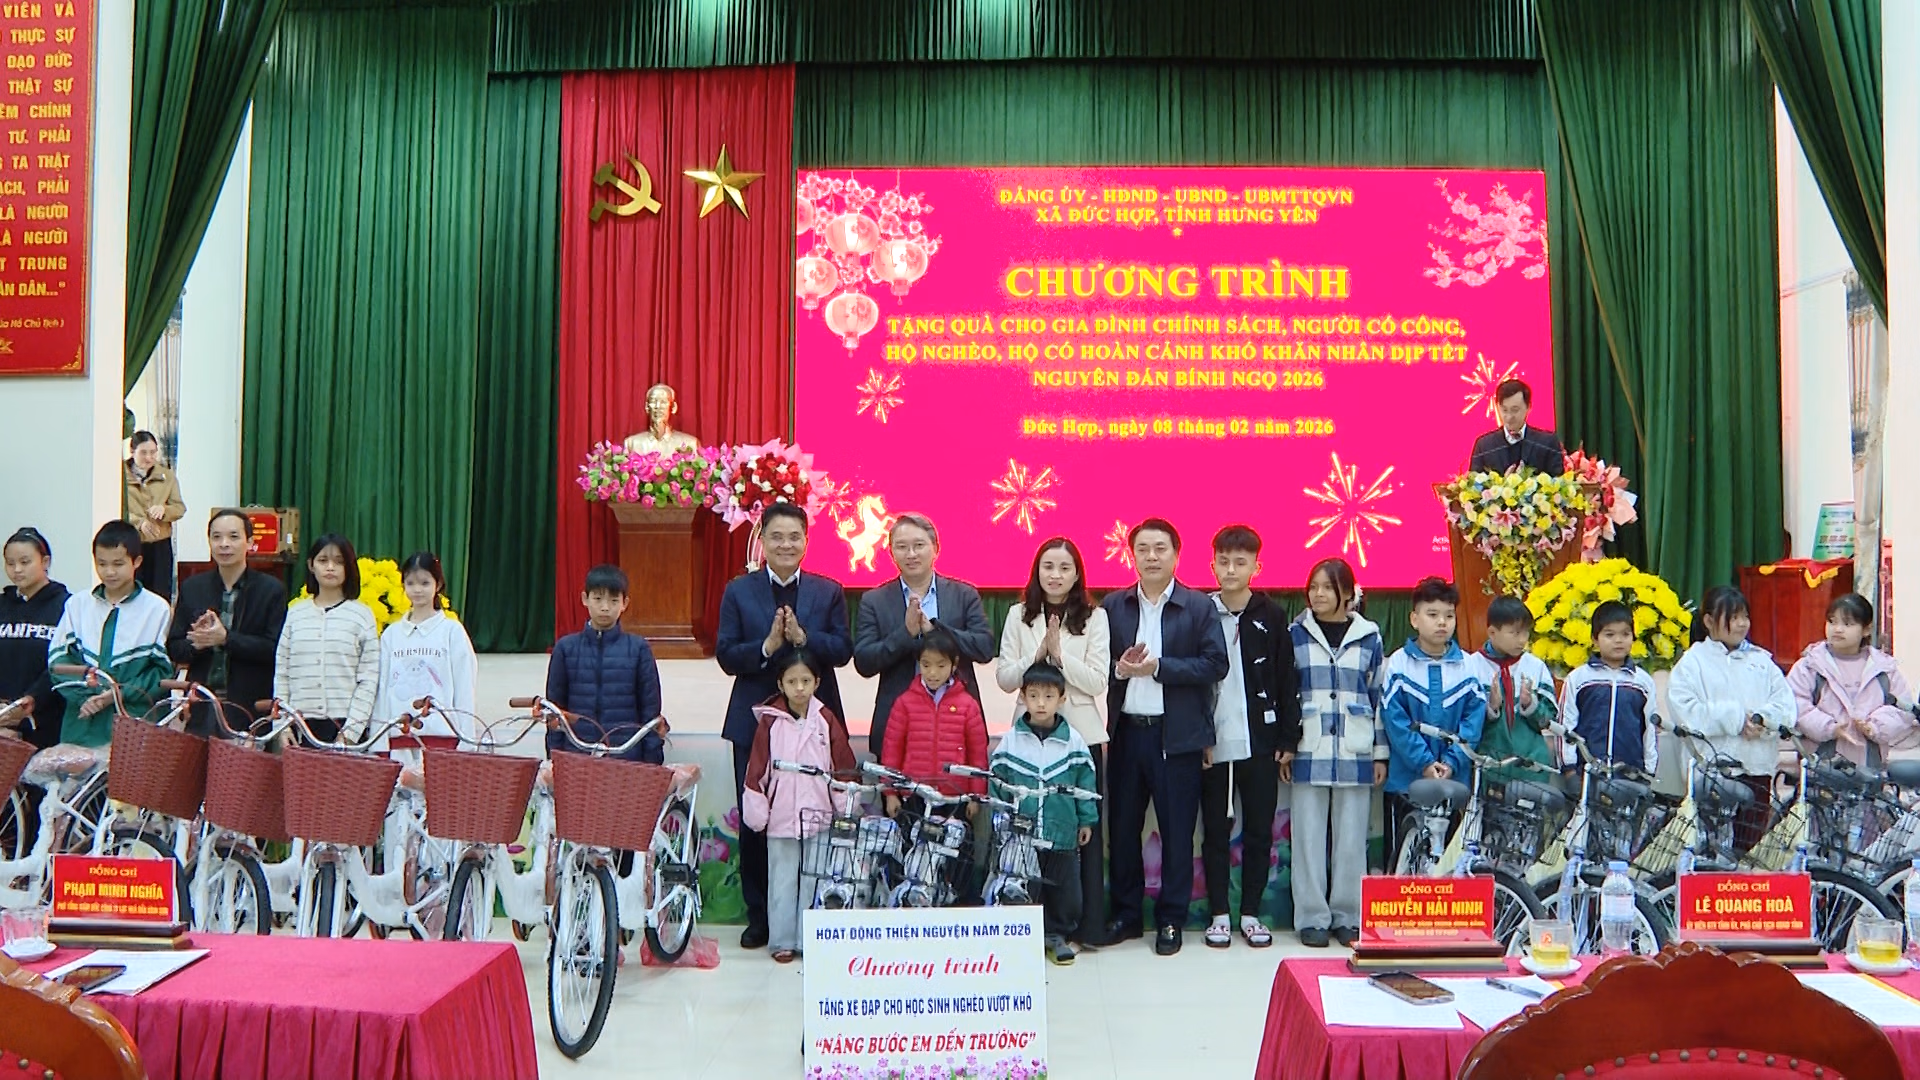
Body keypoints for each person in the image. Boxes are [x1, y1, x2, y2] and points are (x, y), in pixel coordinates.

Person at [716, 503, 854, 950]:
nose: (785, 545)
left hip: (815, 726)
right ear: (762, 541)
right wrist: (767, 646)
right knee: (757, 819)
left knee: (817, 821)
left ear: (806, 542)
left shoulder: (827, 591)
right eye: (776, 536)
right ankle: (760, 916)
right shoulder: (738, 591)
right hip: (754, 724)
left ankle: (812, 917)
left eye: (794, 536)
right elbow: (726, 655)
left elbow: (843, 650)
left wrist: (803, 640)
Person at [1099, 518, 1230, 957]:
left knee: (1177, 833)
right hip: (1127, 734)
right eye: (1143, 549)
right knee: (1123, 828)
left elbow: (1216, 664)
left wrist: (1159, 668)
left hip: (1177, 737)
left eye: (1160, 548)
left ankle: (1171, 919)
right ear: (1132, 555)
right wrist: (1120, 669)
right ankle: (1126, 914)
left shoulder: (1197, 606)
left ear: (1176, 555)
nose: (1151, 557)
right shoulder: (1114, 606)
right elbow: (1099, 667)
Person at [994, 536, 1109, 945]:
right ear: (1036, 572)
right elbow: (1005, 678)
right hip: (1028, 741)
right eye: (1048, 567)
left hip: (1079, 739)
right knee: (1025, 834)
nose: (1055, 575)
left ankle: (1085, 927)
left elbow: (1097, 680)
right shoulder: (1018, 615)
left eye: (1064, 568)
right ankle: (1026, 927)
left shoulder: (1095, 617)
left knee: (1081, 835)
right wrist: (1037, 654)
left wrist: (1060, 656)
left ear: (1077, 574)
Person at [1199, 525, 1298, 949]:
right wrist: (1199, 736)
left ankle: (1252, 914)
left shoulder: (1272, 615)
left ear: (1257, 566)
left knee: (1259, 829)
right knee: (1215, 831)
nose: (1231, 570)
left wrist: (1288, 740)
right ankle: (1220, 914)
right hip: (1213, 743)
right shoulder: (1200, 612)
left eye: (1240, 562)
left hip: (1261, 742)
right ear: (1212, 565)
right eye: (1223, 562)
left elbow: (1286, 678)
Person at [1286, 557, 1386, 948]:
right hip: (1307, 746)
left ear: (1347, 592)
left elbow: (1378, 696)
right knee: (1307, 837)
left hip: (1355, 748)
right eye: (1313, 587)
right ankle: (1311, 918)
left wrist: (1380, 753)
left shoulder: (1369, 636)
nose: (1318, 594)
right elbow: (1286, 693)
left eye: (1327, 587)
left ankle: (1347, 916)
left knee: (1351, 839)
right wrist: (1286, 746)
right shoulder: (1295, 633)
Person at [738, 650, 857, 964]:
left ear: (817, 682)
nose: (800, 688)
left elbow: (842, 767)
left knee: (813, 879)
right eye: (792, 681)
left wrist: (843, 806)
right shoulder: (769, 722)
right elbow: (756, 771)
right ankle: (782, 940)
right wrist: (758, 810)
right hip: (781, 817)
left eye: (806, 680)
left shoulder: (826, 720)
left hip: (818, 815)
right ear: (781, 684)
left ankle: (809, 939)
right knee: (782, 880)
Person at [854, 513, 993, 753]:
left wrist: (936, 630)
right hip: (898, 724)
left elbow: (984, 648)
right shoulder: (874, 601)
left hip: (957, 720)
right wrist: (906, 634)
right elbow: (864, 662)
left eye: (919, 545)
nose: (911, 554)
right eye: (902, 547)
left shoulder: (963, 595)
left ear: (935, 548)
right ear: (891, 553)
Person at [1669, 585, 1795, 850]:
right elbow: (1686, 712)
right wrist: (1736, 719)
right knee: (1707, 851)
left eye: (1745, 617)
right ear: (1708, 621)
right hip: (1712, 769)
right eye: (1733, 617)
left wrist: (1762, 721)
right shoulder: (1692, 663)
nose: (1741, 624)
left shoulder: (1762, 661)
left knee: (1748, 850)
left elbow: (1786, 706)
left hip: (1756, 768)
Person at [990, 662, 1098, 966]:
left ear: (1062, 699)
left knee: (1064, 889)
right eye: (1033, 695)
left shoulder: (1073, 742)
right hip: (1021, 836)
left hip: (1062, 832)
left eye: (1049, 696)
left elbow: (1085, 783)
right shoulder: (1011, 740)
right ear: (1022, 696)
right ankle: (1026, 937)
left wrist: (1086, 819)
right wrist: (1001, 820)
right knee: (1025, 885)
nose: (1041, 703)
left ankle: (1057, 935)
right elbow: (997, 780)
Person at [1381, 576, 1487, 867]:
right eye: (1432, 615)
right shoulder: (1398, 663)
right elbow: (1395, 721)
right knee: (1402, 860)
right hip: (1407, 782)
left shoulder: (1468, 665)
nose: (1442, 622)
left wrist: (1451, 762)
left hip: (1454, 782)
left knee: (1451, 864)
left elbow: (1473, 721)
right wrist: (1425, 763)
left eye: (1449, 616)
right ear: (1414, 619)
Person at [46, 520, 174, 750]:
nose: (109, 572)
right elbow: (58, 662)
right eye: (102, 563)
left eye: (118, 564)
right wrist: (86, 696)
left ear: (137, 562)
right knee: (76, 773)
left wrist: (116, 694)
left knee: (129, 773)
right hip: (82, 721)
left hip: (134, 723)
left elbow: (161, 672)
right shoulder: (77, 604)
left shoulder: (156, 609)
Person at [167, 509, 288, 737]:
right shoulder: (193, 587)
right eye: (216, 537)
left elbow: (274, 649)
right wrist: (197, 643)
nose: (224, 544)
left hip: (249, 706)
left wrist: (226, 639)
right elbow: (174, 648)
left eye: (233, 537)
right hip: (201, 703)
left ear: (249, 542)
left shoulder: (271, 590)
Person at [546, 564, 664, 763]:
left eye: (613, 600)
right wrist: (555, 757)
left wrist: (652, 761)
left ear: (625, 603)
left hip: (626, 756)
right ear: (585, 599)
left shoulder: (638, 649)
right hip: (577, 755)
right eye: (598, 599)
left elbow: (650, 711)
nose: (605, 607)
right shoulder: (565, 649)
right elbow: (555, 711)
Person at [1788, 593, 1919, 767]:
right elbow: (1796, 704)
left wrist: (1875, 727)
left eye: (1847, 624)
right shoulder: (1810, 666)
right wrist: (1830, 727)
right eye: (1832, 622)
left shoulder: (1884, 668)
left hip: (1870, 764)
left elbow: (1903, 709)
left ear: (1866, 629)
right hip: (1820, 765)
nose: (1837, 629)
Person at [274, 533, 381, 744]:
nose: (330, 568)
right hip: (299, 726)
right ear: (311, 565)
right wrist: (282, 726)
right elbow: (282, 673)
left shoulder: (362, 615)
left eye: (339, 562)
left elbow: (369, 679)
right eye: (323, 560)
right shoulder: (295, 613)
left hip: (345, 726)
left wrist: (351, 732)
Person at [377, 551, 478, 750]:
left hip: (443, 738)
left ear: (437, 585)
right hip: (399, 738)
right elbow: (382, 689)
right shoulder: (391, 635)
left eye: (425, 583)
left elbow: (464, 687)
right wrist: (379, 741)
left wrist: (467, 741)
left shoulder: (452, 631)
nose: (417, 590)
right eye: (410, 583)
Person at [880, 629, 989, 805]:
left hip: (955, 796)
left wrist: (976, 796)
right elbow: (892, 751)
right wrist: (890, 793)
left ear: (954, 665)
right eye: (926, 665)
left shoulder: (968, 705)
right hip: (914, 793)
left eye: (940, 666)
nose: (932, 673)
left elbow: (978, 755)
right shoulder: (904, 703)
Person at [1558, 600, 1659, 774]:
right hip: (1587, 773)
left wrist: (1649, 770)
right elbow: (1566, 723)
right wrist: (1569, 768)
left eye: (1625, 634)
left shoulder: (1642, 682)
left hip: (1630, 774)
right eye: (1610, 635)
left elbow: (1650, 730)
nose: (1618, 641)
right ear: (1595, 639)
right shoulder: (1579, 679)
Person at [1466, 596, 1559, 783]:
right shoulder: (1472, 666)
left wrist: (1531, 705)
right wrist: (1491, 708)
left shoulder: (1535, 667)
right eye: (1515, 633)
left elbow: (1549, 720)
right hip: (1489, 766)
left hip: (1531, 767)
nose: (1522, 640)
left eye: (1526, 632)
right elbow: (1465, 720)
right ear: (1492, 632)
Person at [0, 528, 70, 750]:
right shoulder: (3, 605)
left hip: (47, 722)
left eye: (25, 562)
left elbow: (65, 662)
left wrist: (33, 699)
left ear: (45, 561)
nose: (17, 570)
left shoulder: (67, 606)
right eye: (10, 563)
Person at [122, 431, 185, 600]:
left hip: (160, 544)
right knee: (131, 592)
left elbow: (179, 508)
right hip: (131, 543)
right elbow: (115, 508)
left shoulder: (167, 476)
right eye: (143, 453)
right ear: (132, 451)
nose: (149, 458)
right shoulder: (120, 476)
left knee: (160, 593)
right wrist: (139, 522)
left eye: (153, 452)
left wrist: (164, 510)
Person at [1468, 378, 1565, 475]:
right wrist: (1503, 483)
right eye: (1504, 410)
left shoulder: (1547, 443)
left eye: (1515, 410)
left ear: (1529, 407)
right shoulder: (1484, 446)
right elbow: (1473, 482)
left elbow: (1558, 480)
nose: (1509, 417)